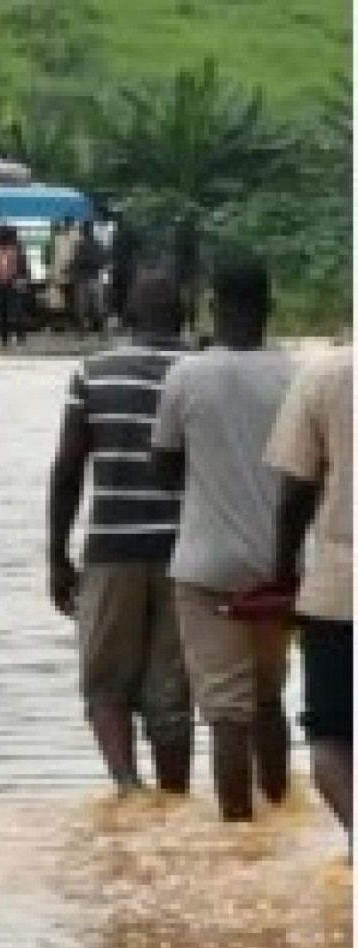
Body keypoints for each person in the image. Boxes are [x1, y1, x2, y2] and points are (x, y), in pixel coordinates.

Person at [150, 256, 296, 822]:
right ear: (270, 307)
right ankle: (279, 808)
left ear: (213, 306)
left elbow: (162, 466)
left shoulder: (187, 376)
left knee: (226, 713)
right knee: (267, 700)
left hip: (206, 568)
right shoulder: (295, 376)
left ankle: (238, 837)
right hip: (279, 567)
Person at [49, 272, 194, 795]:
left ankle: (130, 792)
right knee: (172, 693)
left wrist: (57, 557)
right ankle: (175, 801)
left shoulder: (94, 372)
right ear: (185, 316)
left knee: (105, 683)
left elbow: (68, 469)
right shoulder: (199, 373)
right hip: (186, 553)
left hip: (111, 548)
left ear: (128, 316)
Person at [266, 350, 352, 847]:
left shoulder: (324, 376)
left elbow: (294, 495)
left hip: (340, 591)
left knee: (330, 735)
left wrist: (282, 578)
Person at [0, 227, 27, 348]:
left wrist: (20, 279)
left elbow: (22, 268)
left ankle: (16, 336)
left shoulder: (13, 251)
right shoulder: (0, 251)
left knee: (13, 312)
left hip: (11, 284)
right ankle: (8, 337)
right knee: (6, 312)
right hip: (3, 284)